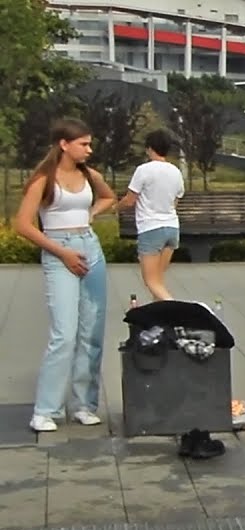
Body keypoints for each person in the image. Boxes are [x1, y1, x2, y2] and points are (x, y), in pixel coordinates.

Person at [13, 118, 117, 433]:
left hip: (90, 248)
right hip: (60, 252)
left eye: (89, 143)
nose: (89, 149)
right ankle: (46, 411)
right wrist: (63, 253)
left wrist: (90, 215)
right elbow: (24, 225)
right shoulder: (43, 180)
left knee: (92, 332)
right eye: (83, 144)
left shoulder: (89, 175)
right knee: (65, 334)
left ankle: (85, 405)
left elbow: (109, 197)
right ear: (64, 144)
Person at [119, 129, 185, 301]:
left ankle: (176, 312)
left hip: (151, 229)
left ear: (149, 148)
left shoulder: (144, 170)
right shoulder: (176, 171)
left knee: (151, 281)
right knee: (159, 281)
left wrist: (112, 208)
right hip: (172, 228)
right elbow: (175, 201)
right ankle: (160, 322)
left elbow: (129, 200)